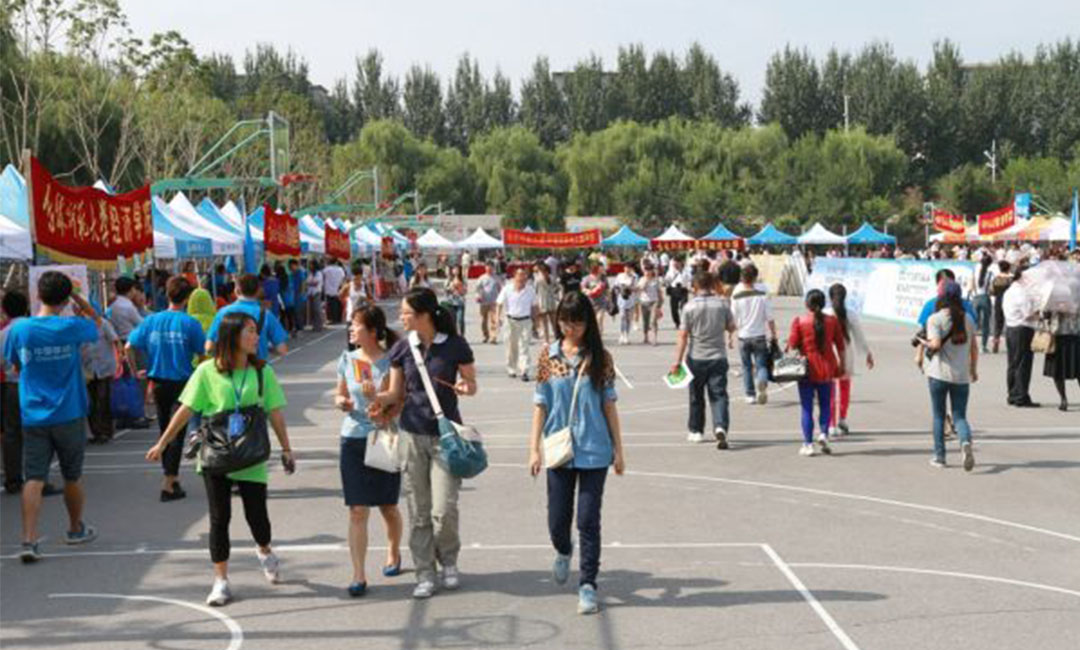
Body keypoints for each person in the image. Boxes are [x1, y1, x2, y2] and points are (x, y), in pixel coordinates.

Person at [145, 312, 295, 606]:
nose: (256, 337)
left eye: (256, 331)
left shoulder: (262, 371)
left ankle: (264, 549)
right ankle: (221, 581)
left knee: (257, 517)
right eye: (250, 331)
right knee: (219, 518)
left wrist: (286, 449)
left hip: (251, 453)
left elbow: (275, 411)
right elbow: (186, 409)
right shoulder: (206, 371)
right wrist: (163, 443)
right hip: (216, 452)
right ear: (233, 336)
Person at [374, 288, 477, 599]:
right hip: (411, 434)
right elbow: (395, 393)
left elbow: (471, 384)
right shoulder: (402, 349)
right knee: (419, 510)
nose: (401, 317)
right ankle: (424, 572)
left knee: (443, 509)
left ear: (424, 315)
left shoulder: (455, 345)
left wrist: (464, 386)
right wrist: (373, 397)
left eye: (405, 312)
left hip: (446, 437)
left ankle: (449, 561)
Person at [528, 291, 626, 615]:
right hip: (559, 448)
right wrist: (533, 449)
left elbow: (609, 405)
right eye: (565, 322)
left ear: (588, 323)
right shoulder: (549, 356)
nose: (571, 329)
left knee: (588, 519)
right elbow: (540, 404)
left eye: (578, 323)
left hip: (595, 448)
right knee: (557, 519)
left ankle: (588, 584)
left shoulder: (601, 358)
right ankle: (562, 549)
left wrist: (619, 450)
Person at [3, 271, 102, 562]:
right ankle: (75, 528)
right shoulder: (71, 326)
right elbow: (96, 321)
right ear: (66, 298)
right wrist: (77, 297)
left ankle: (28, 539)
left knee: (34, 477)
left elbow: (15, 365)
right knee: (72, 475)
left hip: (33, 413)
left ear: (38, 295)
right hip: (69, 412)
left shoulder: (20, 329)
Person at [334, 305, 405, 596]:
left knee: (388, 506)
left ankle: (393, 551)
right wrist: (342, 402)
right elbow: (339, 393)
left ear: (373, 331)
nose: (351, 329)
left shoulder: (392, 361)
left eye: (357, 325)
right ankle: (358, 574)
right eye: (351, 324)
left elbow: (398, 400)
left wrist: (381, 408)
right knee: (357, 509)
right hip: (352, 437)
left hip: (382, 436)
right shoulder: (347, 359)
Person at [128, 277, 206, 501]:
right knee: (176, 432)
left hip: (158, 383)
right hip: (182, 383)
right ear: (187, 298)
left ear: (167, 294)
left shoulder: (152, 320)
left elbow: (128, 346)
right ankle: (169, 483)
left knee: (166, 431)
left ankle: (172, 478)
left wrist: (135, 371)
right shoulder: (190, 323)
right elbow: (202, 355)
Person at [671, 271, 736, 448]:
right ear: (712, 284)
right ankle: (720, 426)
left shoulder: (689, 307)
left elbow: (683, 335)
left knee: (696, 395)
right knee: (719, 394)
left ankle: (696, 430)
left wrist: (677, 361)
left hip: (696, 356)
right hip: (718, 356)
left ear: (695, 286)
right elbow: (732, 326)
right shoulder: (722, 304)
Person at [920, 281, 978, 470]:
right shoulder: (967, 319)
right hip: (961, 375)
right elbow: (974, 348)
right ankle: (965, 442)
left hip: (938, 373)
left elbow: (935, 344)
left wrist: (923, 342)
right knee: (960, 416)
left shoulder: (935, 319)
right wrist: (973, 369)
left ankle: (940, 456)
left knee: (938, 415)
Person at [787, 289, 845, 457]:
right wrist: (841, 365)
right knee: (825, 404)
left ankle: (808, 444)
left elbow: (792, 344)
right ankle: (824, 434)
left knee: (807, 407)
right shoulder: (832, 321)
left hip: (806, 368)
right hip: (827, 367)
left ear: (807, 304)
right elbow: (840, 346)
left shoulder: (800, 321)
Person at [825, 283, 874, 436]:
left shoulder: (825, 313)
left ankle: (831, 424)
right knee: (845, 388)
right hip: (846, 354)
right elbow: (859, 336)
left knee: (830, 390)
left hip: (829, 354)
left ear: (830, 297)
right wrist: (867, 353)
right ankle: (842, 418)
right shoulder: (851, 314)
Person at [206, 274, 289, 361]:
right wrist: (263, 347)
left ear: (236, 290)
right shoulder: (265, 314)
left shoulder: (223, 313)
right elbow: (282, 350)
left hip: (230, 366)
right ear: (258, 291)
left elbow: (209, 347)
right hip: (258, 366)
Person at [730, 265, 777, 405]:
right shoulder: (762, 293)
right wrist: (773, 333)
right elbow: (770, 317)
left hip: (743, 335)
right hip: (759, 335)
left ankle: (750, 395)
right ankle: (762, 380)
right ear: (755, 278)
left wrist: (730, 335)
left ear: (742, 278)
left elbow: (733, 317)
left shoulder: (736, 293)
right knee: (761, 365)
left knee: (746, 366)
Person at [81, 302, 119, 444]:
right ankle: (96, 432)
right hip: (88, 369)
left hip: (104, 367)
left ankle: (106, 431)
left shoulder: (103, 324)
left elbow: (115, 340)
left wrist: (120, 357)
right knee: (91, 402)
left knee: (103, 400)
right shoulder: (80, 326)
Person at [1003, 267, 1039, 407]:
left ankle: (1013, 394)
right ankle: (1021, 396)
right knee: (1023, 364)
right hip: (1022, 329)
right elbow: (1028, 314)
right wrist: (1040, 313)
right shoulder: (1022, 292)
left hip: (1011, 328)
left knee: (1013, 363)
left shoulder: (1010, 291)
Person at [497, 266, 538, 381]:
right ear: (514, 277)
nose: (522, 278)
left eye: (524, 275)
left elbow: (535, 306)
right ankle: (511, 368)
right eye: (519, 275)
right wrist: (497, 317)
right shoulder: (507, 289)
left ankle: (524, 370)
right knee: (511, 346)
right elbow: (499, 303)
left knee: (524, 346)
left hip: (525, 321)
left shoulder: (530, 290)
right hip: (510, 321)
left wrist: (536, 322)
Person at [1044, 309, 1080, 411]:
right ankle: (1063, 399)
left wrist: (1072, 312)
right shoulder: (1052, 301)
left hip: (1075, 334)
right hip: (1056, 336)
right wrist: (1050, 313)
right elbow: (1044, 314)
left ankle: (1063, 399)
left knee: (1078, 369)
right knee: (1057, 371)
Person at [970, 255, 995, 353]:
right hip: (985, 298)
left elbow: (971, 286)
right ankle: (983, 346)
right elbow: (991, 289)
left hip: (975, 298)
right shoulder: (990, 274)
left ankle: (972, 345)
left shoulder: (974, 271)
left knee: (973, 323)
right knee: (986, 323)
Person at [476, 262, 501, 344]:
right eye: (488, 267)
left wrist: (501, 299)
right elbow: (478, 289)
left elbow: (500, 288)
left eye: (491, 268)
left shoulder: (497, 278)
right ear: (485, 268)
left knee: (493, 320)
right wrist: (478, 296)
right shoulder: (482, 278)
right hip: (484, 302)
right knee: (483, 320)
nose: (489, 269)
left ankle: (493, 337)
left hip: (494, 302)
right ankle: (485, 335)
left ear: (493, 268)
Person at [990, 260, 1012, 353]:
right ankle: (1010, 344)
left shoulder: (996, 279)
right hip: (1009, 302)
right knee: (1010, 323)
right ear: (1008, 268)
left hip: (998, 301)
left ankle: (996, 341)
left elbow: (992, 292)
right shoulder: (1011, 279)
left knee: (998, 323)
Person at [637, 263, 662, 345]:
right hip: (644, 302)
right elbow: (640, 289)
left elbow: (659, 292)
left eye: (649, 270)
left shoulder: (656, 280)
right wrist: (646, 281)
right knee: (645, 321)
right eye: (646, 270)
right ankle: (646, 337)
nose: (647, 272)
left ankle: (654, 338)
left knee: (653, 320)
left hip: (654, 302)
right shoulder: (641, 279)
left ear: (652, 271)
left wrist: (660, 305)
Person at [534, 263, 557, 343]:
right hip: (542, 301)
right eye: (542, 271)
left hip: (551, 301)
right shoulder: (538, 280)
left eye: (545, 271)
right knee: (544, 323)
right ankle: (546, 340)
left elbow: (557, 287)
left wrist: (554, 293)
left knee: (554, 321)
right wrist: (536, 304)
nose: (544, 273)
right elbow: (535, 291)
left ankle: (556, 337)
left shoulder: (552, 278)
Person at [581, 265, 609, 334]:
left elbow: (607, 289)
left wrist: (609, 298)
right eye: (600, 269)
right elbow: (582, 288)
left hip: (601, 301)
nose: (601, 271)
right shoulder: (586, 278)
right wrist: (589, 291)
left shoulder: (603, 278)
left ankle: (599, 334)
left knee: (599, 319)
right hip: (590, 302)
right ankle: (593, 333)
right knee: (592, 320)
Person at [664, 258, 690, 330]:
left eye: (677, 263)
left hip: (683, 290)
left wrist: (688, 286)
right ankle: (677, 323)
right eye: (674, 263)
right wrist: (667, 281)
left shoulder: (686, 271)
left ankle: (684, 322)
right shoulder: (671, 271)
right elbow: (666, 280)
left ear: (680, 263)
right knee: (674, 308)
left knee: (683, 307)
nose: (675, 265)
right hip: (674, 290)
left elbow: (689, 280)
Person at [444, 265, 467, 336]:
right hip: (450, 302)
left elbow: (465, 291)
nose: (456, 271)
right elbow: (445, 290)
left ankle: (461, 335)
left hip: (460, 302)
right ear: (452, 270)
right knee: (452, 320)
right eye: (454, 269)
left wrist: (460, 288)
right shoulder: (448, 280)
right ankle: (453, 335)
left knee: (460, 320)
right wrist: (451, 287)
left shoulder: (463, 280)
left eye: (458, 269)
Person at [323, 259, 347, 324]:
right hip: (338, 289)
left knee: (330, 305)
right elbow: (343, 278)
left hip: (329, 290)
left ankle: (331, 319)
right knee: (338, 304)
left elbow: (323, 276)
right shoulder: (340, 269)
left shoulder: (326, 269)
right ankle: (338, 318)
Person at [306, 260, 325, 332]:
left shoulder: (319, 273)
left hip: (317, 293)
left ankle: (320, 325)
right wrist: (311, 283)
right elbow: (307, 282)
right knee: (312, 310)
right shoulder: (310, 273)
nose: (310, 266)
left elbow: (315, 283)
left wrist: (310, 283)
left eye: (311, 265)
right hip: (310, 293)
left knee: (317, 309)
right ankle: (314, 325)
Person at [288, 259, 307, 333]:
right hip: (294, 295)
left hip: (299, 295)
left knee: (298, 312)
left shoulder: (300, 272)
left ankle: (300, 328)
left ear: (295, 265)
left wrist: (302, 292)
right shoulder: (292, 274)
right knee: (295, 312)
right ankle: (297, 327)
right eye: (289, 266)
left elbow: (303, 283)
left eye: (291, 266)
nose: (290, 268)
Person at [616, 281, 636, 345]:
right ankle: (622, 335)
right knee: (622, 317)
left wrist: (631, 288)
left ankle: (627, 336)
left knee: (628, 319)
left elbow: (636, 288)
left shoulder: (633, 278)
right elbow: (615, 287)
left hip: (631, 301)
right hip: (621, 302)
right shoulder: (620, 277)